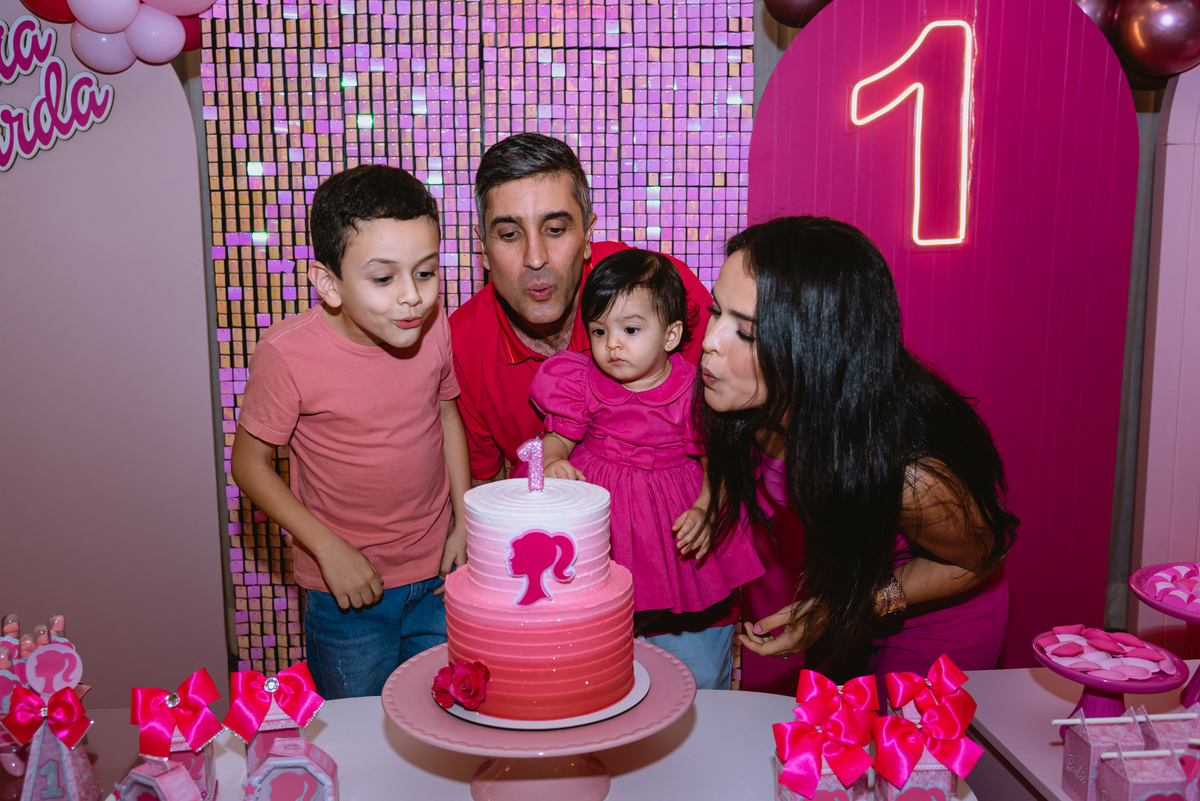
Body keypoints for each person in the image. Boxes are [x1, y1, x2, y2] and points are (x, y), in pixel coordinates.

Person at [450, 133, 738, 686]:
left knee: (695, 736)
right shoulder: (462, 345)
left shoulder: (655, 287)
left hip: (685, 579)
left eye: (555, 230)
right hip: (562, 592)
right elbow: (489, 488)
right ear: (483, 251)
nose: (535, 258)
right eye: (509, 235)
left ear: (587, 236)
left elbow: (737, 421)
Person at [697, 216, 1018, 688]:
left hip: (933, 619)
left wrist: (851, 605)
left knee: (898, 758)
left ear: (816, 349)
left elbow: (979, 558)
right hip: (844, 593)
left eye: (746, 333)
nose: (708, 343)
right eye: (714, 311)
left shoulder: (912, 471)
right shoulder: (747, 402)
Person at [230, 165, 471, 699]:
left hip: (438, 576)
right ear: (329, 284)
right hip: (346, 592)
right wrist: (327, 549)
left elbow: (446, 414)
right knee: (357, 731)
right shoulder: (287, 353)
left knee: (439, 715)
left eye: (426, 272)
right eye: (384, 278)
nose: (412, 297)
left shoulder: (435, 328)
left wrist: (464, 519)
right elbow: (248, 465)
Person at [528, 249, 764, 689]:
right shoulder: (580, 382)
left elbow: (718, 462)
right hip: (603, 525)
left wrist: (706, 507)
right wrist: (555, 457)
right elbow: (557, 437)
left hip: (669, 522)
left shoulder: (694, 388)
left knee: (688, 672)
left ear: (671, 334)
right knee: (594, 673)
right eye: (599, 331)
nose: (612, 344)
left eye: (630, 329)